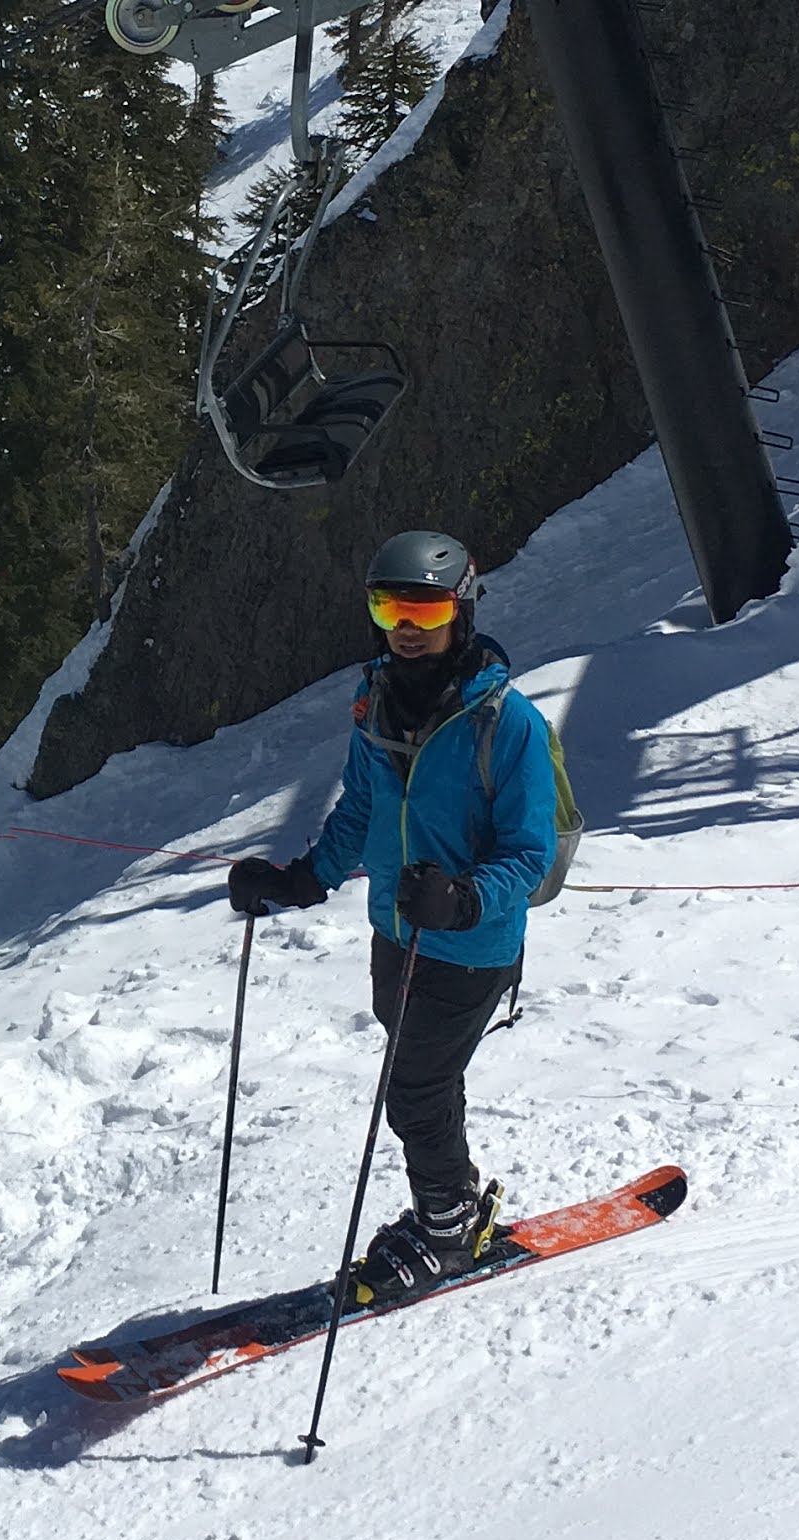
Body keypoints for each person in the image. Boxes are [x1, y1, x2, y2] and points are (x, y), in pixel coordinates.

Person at [226, 528, 562, 1304]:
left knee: (413, 1089)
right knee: (424, 1081)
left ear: (461, 609)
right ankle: (455, 1204)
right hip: (394, 934)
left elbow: (528, 852)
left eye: (424, 608)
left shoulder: (508, 724)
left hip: (470, 946)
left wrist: (464, 897)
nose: (405, 628)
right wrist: (302, 878)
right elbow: (362, 809)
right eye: (388, 607)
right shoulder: (374, 702)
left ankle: (445, 1228)